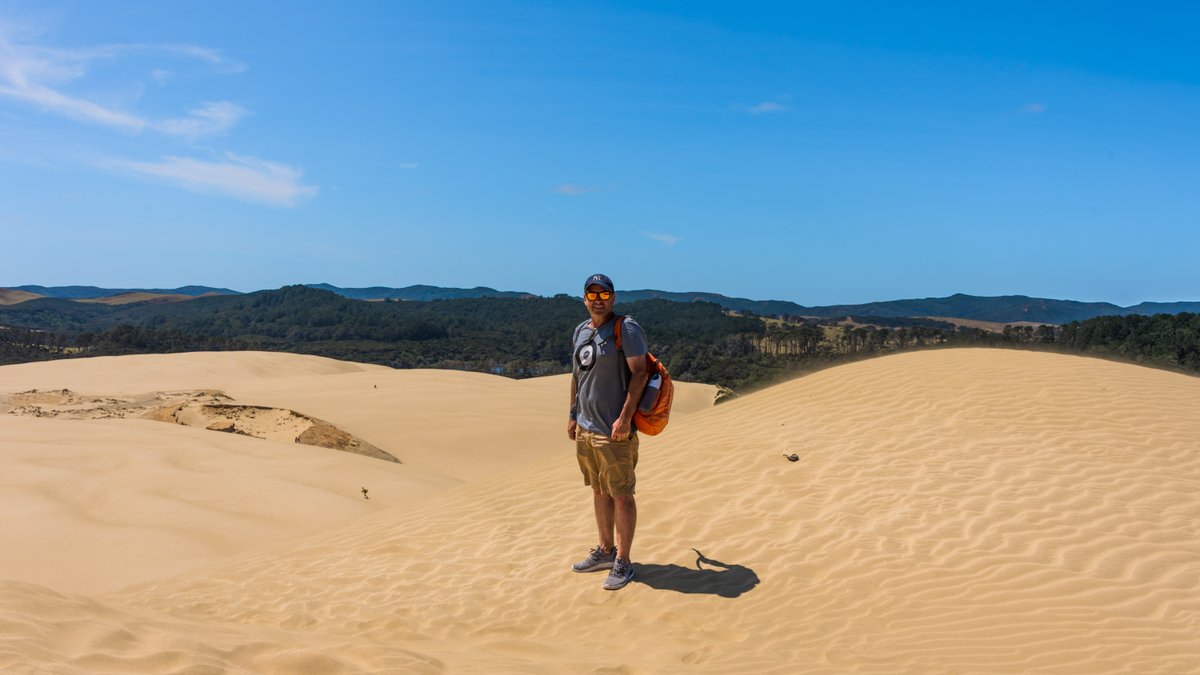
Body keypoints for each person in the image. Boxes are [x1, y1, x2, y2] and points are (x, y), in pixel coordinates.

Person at [567, 273, 650, 591]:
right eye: (592, 294)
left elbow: (639, 374)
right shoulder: (580, 330)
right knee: (599, 491)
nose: (598, 299)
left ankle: (624, 562)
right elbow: (576, 375)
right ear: (584, 298)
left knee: (621, 494)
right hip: (587, 429)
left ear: (613, 298)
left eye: (604, 294)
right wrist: (573, 415)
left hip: (613, 430)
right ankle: (604, 551)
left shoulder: (625, 328)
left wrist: (625, 418)